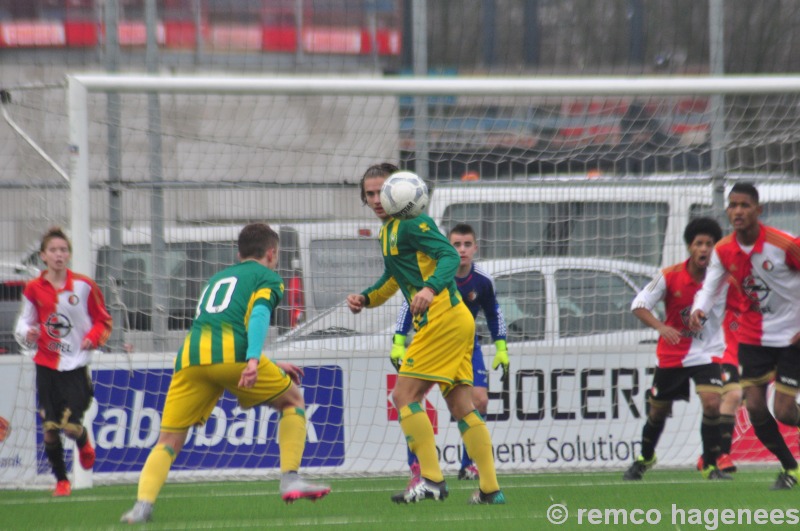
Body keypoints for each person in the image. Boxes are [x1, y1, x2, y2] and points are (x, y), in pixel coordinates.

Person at [120, 223, 330, 524]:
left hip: (190, 360)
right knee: (292, 401)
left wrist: (265, 361)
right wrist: (254, 360)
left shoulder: (217, 278)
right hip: (233, 357)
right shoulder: (268, 277)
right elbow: (258, 315)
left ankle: (142, 506)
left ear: (239, 253)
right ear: (272, 253)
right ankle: (290, 479)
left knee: (168, 439)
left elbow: (222, 324)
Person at [347, 163, 505, 505]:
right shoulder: (387, 231)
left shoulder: (412, 223)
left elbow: (448, 254)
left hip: (442, 318)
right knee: (462, 404)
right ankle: (490, 489)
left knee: (403, 396)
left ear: (400, 190)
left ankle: (432, 480)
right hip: (451, 320)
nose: (377, 199)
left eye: (382, 191)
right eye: (370, 194)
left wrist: (431, 289)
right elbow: (393, 280)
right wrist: (366, 298)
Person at [690, 182, 800, 490]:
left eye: (744, 205)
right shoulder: (724, 250)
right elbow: (709, 288)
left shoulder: (784, 245)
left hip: (792, 338)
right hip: (754, 339)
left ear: (758, 210)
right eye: (733, 206)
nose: (737, 211)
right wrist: (699, 309)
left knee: (785, 412)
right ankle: (791, 469)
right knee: (753, 407)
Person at [393, 223, 509, 483]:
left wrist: (501, 346)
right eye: (456, 244)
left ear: (475, 247)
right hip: (432, 342)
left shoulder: (483, 279)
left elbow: (494, 312)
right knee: (411, 398)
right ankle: (418, 467)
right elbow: (407, 303)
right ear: (448, 247)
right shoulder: (435, 273)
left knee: (477, 401)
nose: (462, 250)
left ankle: (470, 466)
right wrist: (399, 340)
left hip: (467, 345)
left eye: (467, 244)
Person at [623, 217, 732, 481]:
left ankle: (709, 464)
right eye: (699, 244)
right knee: (658, 410)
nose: (704, 249)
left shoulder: (725, 279)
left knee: (712, 403)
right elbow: (638, 304)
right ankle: (645, 457)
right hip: (673, 353)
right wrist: (661, 327)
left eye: (709, 244)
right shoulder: (669, 275)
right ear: (690, 247)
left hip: (707, 351)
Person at [14, 227, 113, 497]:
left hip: (76, 365)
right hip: (46, 364)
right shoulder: (34, 288)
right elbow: (25, 321)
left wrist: (94, 337)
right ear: (43, 256)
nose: (59, 255)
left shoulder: (83, 286)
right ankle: (61, 481)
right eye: (54, 250)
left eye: (63, 250)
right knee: (49, 428)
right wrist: (28, 332)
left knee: (68, 426)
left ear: (68, 254)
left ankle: (82, 441)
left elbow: (103, 320)